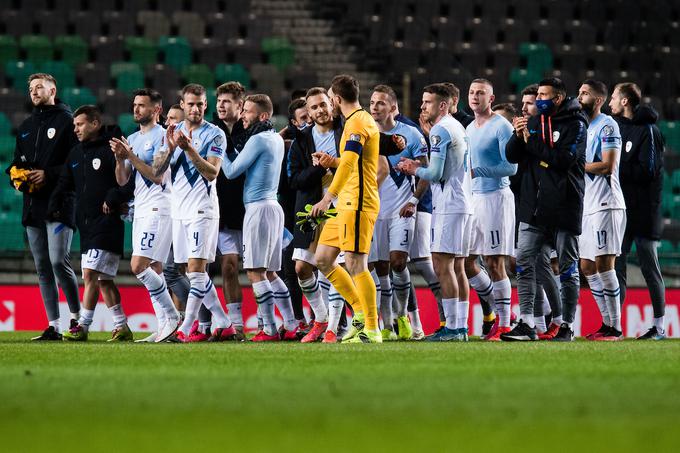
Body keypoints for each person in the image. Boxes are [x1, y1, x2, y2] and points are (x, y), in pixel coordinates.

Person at [503, 77, 587, 342]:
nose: (538, 99)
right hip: (533, 207)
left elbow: (563, 159)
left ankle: (567, 325)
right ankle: (527, 322)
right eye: (537, 94)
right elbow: (512, 156)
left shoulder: (576, 124)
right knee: (524, 263)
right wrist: (518, 137)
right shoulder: (534, 123)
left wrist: (531, 143)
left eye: (543, 95)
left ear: (558, 98)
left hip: (564, 206)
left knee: (567, 267)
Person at [155, 84, 237, 343]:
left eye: (200, 104)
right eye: (190, 104)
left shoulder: (215, 134)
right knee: (192, 273)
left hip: (203, 209)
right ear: (182, 104)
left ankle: (186, 327)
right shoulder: (172, 132)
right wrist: (169, 148)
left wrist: (189, 149)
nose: (195, 108)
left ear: (206, 105)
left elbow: (212, 173)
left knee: (196, 269)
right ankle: (224, 323)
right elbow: (157, 171)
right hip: (179, 210)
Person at [48, 105, 133, 342]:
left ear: (95, 124)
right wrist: (53, 207)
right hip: (85, 225)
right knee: (104, 280)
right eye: (74, 125)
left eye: (80, 124)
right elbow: (64, 182)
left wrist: (112, 197)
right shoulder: (75, 153)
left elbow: (126, 182)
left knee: (90, 274)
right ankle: (122, 326)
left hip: (107, 222)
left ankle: (82, 325)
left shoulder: (111, 148)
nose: (75, 129)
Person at [7, 73, 81, 340]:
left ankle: (77, 320)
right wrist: (17, 176)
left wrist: (47, 174)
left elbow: (78, 162)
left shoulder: (68, 121)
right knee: (42, 267)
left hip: (60, 202)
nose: (34, 92)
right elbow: (17, 162)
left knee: (58, 261)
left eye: (39, 87)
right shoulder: (26, 125)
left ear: (53, 90)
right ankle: (54, 326)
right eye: (30, 89)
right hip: (33, 204)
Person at [310, 74, 383, 343]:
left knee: (355, 262)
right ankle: (361, 313)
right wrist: (333, 160)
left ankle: (373, 328)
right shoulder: (355, 122)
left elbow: (351, 164)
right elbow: (351, 160)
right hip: (346, 203)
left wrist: (327, 198)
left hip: (358, 202)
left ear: (337, 99)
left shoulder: (358, 123)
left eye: (330, 98)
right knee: (323, 259)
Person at [398, 83, 473, 342]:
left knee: (442, 264)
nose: (422, 106)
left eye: (427, 102)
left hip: (450, 205)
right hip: (464, 202)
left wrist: (413, 168)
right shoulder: (457, 126)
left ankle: (453, 328)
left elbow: (435, 174)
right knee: (458, 267)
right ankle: (460, 326)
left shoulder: (440, 130)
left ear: (442, 105)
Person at [222, 94, 296, 342]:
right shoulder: (274, 137)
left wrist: (219, 148)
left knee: (255, 272)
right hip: (273, 206)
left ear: (263, 116)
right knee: (272, 272)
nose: (243, 115)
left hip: (258, 209)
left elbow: (231, 172)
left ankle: (270, 329)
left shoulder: (258, 140)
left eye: (248, 111)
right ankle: (292, 323)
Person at [110, 89, 180, 343]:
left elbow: (157, 175)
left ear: (156, 110)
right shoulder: (132, 138)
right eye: (135, 104)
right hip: (140, 208)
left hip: (159, 207)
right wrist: (120, 160)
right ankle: (164, 328)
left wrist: (129, 155)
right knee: (154, 268)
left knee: (138, 266)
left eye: (142, 105)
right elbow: (123, 181)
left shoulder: (165, 136)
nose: (136, 109)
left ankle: (172, 316)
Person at [369, 84, 430, 341]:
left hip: (402, 211)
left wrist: (414, 201)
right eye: (372, 102)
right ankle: (386, 324)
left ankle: (402, 316)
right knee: (379, 269)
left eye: (381, 102)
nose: (374, 106)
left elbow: (426, 171)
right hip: (374, 211)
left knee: (398, 262)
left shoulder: (411, 134)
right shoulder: (366, 133)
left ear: (393, 107)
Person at [288, 87, 346, 343]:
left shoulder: (345, 131)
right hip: (310, 208)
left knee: (333, 267)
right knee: (302, 268)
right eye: (314, 107)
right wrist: (317, 169)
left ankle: (333, 327)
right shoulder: (301, 141)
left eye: (323, 104)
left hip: (341, 207)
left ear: (331, 105)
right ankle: (321, 318)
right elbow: (294, 181)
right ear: (309, 113)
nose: (320, 110)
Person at [610, 82, 667, 340]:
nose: (610, 101)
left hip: (644, 211)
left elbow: (649, 170)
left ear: (624, 101)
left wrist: (613, 168)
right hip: (621, 211)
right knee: (617, 266)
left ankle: (659, 325)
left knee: (649, 266)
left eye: (613, 96)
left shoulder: (649, 131)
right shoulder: (618, 128)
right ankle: (615, 325)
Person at [464, 79, 517, 341]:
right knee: (466, 262)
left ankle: (505, 325)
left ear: (491, 98)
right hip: (474, 199)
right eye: (472, 92)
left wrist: (480, 171)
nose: (475, 96)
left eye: (481, 93)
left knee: (495, 263)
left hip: (496, 198)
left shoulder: (502, 126)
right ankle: (501, 313)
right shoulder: (469, 127)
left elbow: (512, 167)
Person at [577, 80, 627, 341]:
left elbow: (608, 165)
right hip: (588, 205)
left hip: (606, 203)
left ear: (597, 100)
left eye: (584, 93)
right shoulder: (583, 126)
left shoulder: (608, 125)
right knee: (586, 266)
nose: (579, 96)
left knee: (605, 265)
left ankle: (616, 328)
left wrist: (577, 165)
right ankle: (606, 324)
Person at [210, 81, 249, 340]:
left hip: (249, 210)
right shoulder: (211, 132)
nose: (221, 106)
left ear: (240, 105)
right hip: (222, 209)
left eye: (227, 101)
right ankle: (236, 326)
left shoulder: (252, 132)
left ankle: (288, 322)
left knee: (264, 272)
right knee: (229, 267)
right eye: (219, 101)